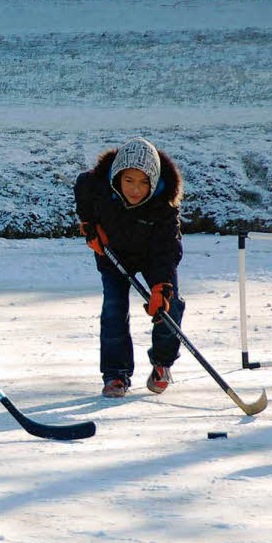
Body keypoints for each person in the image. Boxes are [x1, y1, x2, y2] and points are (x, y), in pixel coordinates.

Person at [74, 137, 185, 398]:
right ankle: (116, 374)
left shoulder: (164, 206)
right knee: (114, 310)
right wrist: (89, 224)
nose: (136, 189)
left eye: (144, 182)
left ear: (154, 181)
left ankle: (162, 363)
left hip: (151, 256)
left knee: (171, 305)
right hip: (112, 253)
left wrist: (161, 286)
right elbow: (82, 189)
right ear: (116, 178)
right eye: (129, 181)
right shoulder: (97, 185)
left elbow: (167, 250)